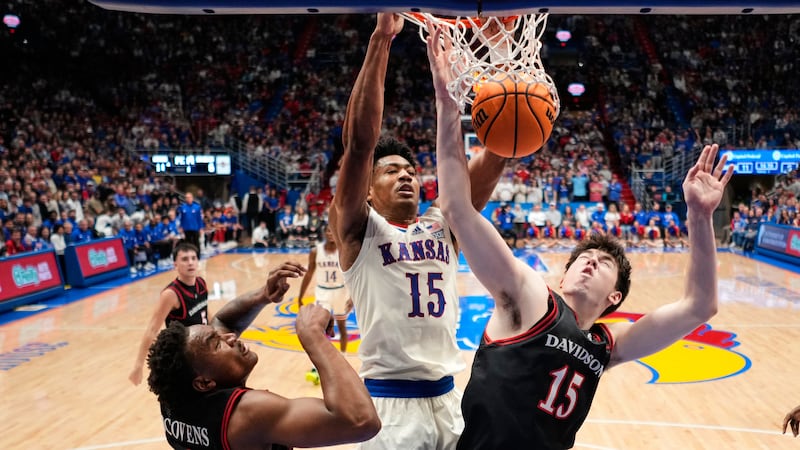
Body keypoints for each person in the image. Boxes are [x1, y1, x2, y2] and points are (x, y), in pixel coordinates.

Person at [427, 22, 734, 449]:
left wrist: (699, 218)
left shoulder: (608, 346)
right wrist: (446, 104)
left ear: (614, 298)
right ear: (563, 276)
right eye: (583, 259)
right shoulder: (530, 296)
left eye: (604, 263)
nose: (590, 261)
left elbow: (700, 306)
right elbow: (457, 208)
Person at [329, 13, 507, 449]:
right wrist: (382, 40)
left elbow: (499, 150)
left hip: (448, 400)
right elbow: (359, 143)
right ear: (368, 190)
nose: (406, 176)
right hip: (389, 409)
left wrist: (502, 64)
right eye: (391, 172)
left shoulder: (442, 221)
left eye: (410, 170)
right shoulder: (358, 228)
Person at [146, 260, 381, 449]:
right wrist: (313, 337)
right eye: (217, 344)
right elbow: (360, 422)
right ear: (205, 382)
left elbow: (223, 322)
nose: (230, 337)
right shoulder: (249, 414)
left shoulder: (173, 398)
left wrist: (263, 295)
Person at [129, 242, 209, 386]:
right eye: (184, 259)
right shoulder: (171, 294)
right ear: (175, 264)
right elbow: (152, 329)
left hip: (202, 350)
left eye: (193, 258)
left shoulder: (201, 283)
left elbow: (205, 311)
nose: (190, 262)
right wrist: (138, 365)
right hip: (183, 357)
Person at [296, 223, 352, 353]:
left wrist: (352, 297)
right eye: (328, 231)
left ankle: (343, 359)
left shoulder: (343, 250)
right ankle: (318, 366)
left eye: (333, 232)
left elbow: (351, 274)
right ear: (324, 233)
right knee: (318, 329)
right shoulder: (315, 251)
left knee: (342, 328)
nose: (331, 234)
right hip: (323, 292)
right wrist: (300, 296)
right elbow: (309, 273)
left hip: (340, 292)